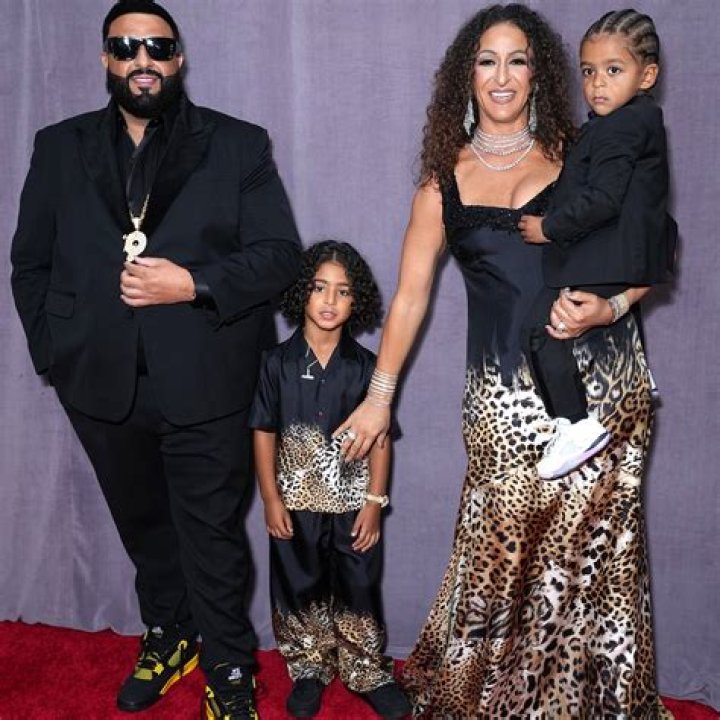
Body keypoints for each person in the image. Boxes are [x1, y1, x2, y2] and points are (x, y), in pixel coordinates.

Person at [336, 4, 670, 717]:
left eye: (518, 60)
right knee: (503, 558)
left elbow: (655, 239)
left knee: (590, 565)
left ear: (538, 74)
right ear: (467, 74)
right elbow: (409, 298)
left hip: (602, 388)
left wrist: (611, 307)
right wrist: (378, 397)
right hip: (501, 402)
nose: (502, 76)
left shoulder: (584, 149)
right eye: (487, 60)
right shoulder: (441, 182)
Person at [10, 1, 300, 718]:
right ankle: (170, 633)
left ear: (179, 58)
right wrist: (56, 355)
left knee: (211, 536)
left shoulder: (237, 144)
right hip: (98, 383)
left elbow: (279, 258)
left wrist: (192, 283)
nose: (143, 60)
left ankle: (229, 671)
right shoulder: (58, 145)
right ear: (106, 59)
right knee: (145, 528)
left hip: (209, 380)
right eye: (126, 46)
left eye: (158, 47)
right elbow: (30, 263)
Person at [249, 241, 411, 720]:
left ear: (356, 301)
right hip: (294, 504)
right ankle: (308, 668)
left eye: (342, 291)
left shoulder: (367, 368)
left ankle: (366, 670)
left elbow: (379, 439)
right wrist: (270, 498)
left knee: (359, 585)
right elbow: (263, 431)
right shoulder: (275, 364)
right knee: (298, 585)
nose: (329, 300)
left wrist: (374, 503)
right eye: (320, 287)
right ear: (302, 291)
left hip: (352, 505)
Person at [518, 9, 677, 480]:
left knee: (541, 330)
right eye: (588, 72)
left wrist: (549, 228)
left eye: (613, 70)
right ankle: (592, 408)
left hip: (601, 258)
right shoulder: (631, 123)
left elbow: (604, 199)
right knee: (544, 329)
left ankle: (576, 425)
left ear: (647, 76)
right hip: (615, 257)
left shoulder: (623, 126)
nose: (597, 84)